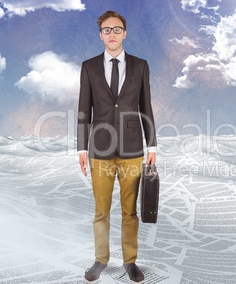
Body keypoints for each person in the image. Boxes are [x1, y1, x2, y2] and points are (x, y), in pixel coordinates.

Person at [77, 10, 157, 284]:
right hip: (99, 150)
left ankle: (130, 261)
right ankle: (101, 259)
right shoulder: (88, 66)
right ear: (101, 35)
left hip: (133, 150)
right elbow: (83, 110)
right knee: (101, 211)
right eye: (107, 30)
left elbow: (145, 106)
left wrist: (152, 145)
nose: (112, 34)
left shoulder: (140, 65)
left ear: (125, 32)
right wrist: (81, 148)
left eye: (117, 29)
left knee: (130, 211)